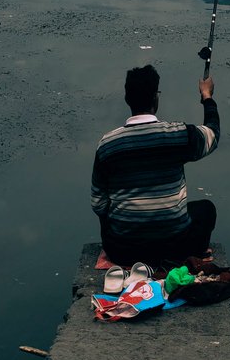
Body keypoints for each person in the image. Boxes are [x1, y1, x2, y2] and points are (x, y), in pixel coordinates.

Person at [91, 63, 220, 268]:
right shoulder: (178, 134)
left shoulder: (107, 145)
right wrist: (207, 95)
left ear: (127, 98)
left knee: (108, 214)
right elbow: (213, 134)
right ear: (155, 98)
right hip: (174, 247)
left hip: (123, 251)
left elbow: (98, 204)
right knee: (206, 210)